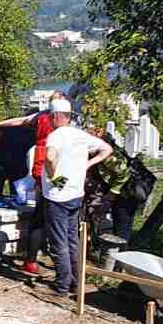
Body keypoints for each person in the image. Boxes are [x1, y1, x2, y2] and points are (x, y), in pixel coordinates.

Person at [0, 92, 66, 277]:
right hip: (59, 177)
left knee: (44, 219)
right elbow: (20, 121)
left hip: (49, 174)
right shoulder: (54, 121)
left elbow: (21, 122)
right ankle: (55, 268)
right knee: (52, 218)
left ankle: (38, 263)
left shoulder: (44, 119)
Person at [40, 98, 112, 297]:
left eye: (50, 116)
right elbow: (107, 149)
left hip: (57, 196)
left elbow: (49, 157)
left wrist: (54, 176)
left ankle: (62, 284)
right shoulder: (81, 136)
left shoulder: (56, 136)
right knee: (73, 240)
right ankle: (76, 282)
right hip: (76, 194)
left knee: (59, 241)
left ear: (55, 116)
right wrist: (88, 164)